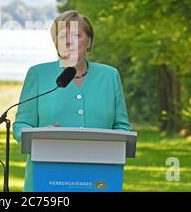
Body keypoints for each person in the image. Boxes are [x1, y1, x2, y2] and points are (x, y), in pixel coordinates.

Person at [12, 10, 132, 192]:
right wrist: (39, 135)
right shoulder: (37, 74)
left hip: (100, 178)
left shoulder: (110, 76)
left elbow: (122, 127)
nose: (69, 42)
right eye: (62, 37)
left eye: (76, 35)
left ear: (89, 41)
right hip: (47, 178)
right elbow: (21, 125)